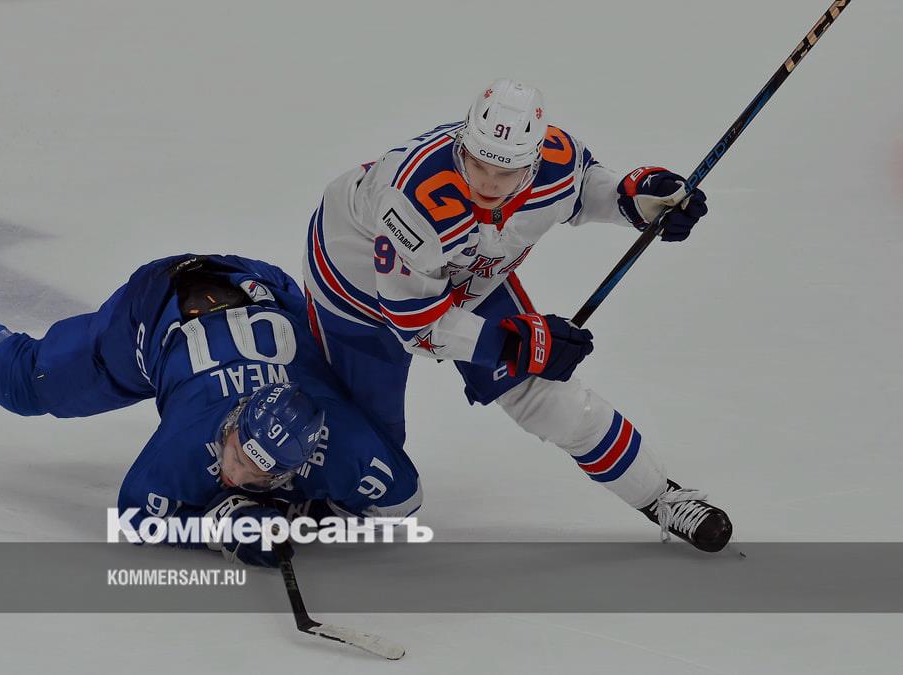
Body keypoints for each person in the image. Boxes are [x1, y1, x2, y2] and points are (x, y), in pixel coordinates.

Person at [303, 78, 731, 552]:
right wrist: (517, 342)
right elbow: (416, 325)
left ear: (534, 161)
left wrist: (638, 199)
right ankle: (274, 487)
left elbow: (586, 188)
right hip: (356, 294)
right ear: (462, 144)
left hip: (468, 273)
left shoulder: (557, 159)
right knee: (369, 459)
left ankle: (659, 496)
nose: (488, 183)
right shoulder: (414, 201)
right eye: (478, 164)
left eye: (506, 172)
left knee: (551, 399)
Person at [0, 254, 422, 567]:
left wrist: (311, 511)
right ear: (232, 422)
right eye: (236, 450)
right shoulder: (191, 436)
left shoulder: (342, 447)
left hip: (261, 284)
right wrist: (222, 526)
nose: (232, 471)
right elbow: (136, 515)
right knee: (29, 381)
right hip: (159, 311)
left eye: (254, 472)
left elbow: (404, 501)